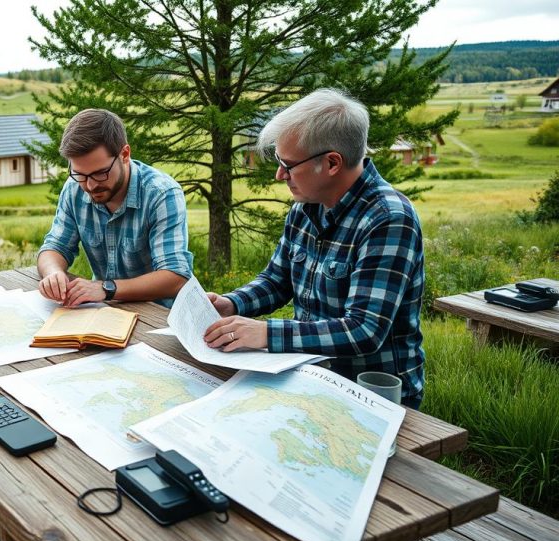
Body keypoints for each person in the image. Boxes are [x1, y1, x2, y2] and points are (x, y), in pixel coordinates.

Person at [203, 89, 426, 409]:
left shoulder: (389, 219)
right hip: (310, 377)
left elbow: (364, 330)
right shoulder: (306, 206)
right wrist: (231, 303)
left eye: (288, 164)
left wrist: (265, 334)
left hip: (373, 396)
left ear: (332, 163)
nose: (280, 174)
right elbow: (277, 281)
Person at [37, 108, 193, 308]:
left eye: (100, 173)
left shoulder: (161, 193)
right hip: (104, 309)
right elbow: (54, 247)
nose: (90, 185)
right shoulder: (75, 188)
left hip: (159, 315)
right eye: (80, 174)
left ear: (125, 154)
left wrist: (105, 289)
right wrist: (53, 273)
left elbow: (176, 277)